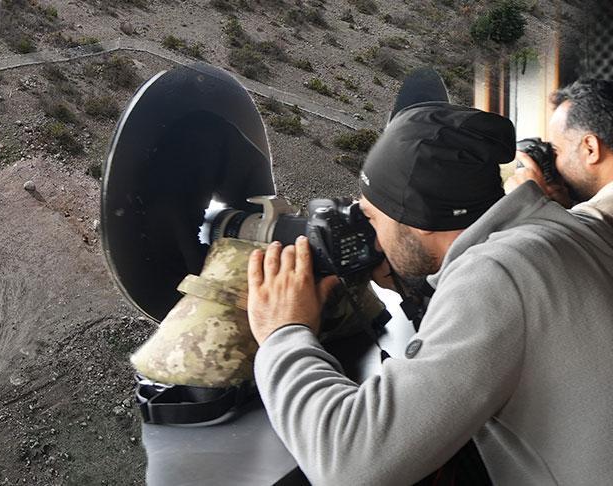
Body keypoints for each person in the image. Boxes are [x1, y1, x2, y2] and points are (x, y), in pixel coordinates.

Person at [246, 101, 613, 485]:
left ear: (419, 220)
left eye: (371, 216)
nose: (371, 233)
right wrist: (415, 286)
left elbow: (350, 464)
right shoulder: (572, 229)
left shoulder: (497, 275)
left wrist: (282, 332)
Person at [505, 78, 613, 224]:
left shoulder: (599, 220)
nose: (554, 163)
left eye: (556, 151)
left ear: (591, 149)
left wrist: (528, 204)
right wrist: (561, 209)